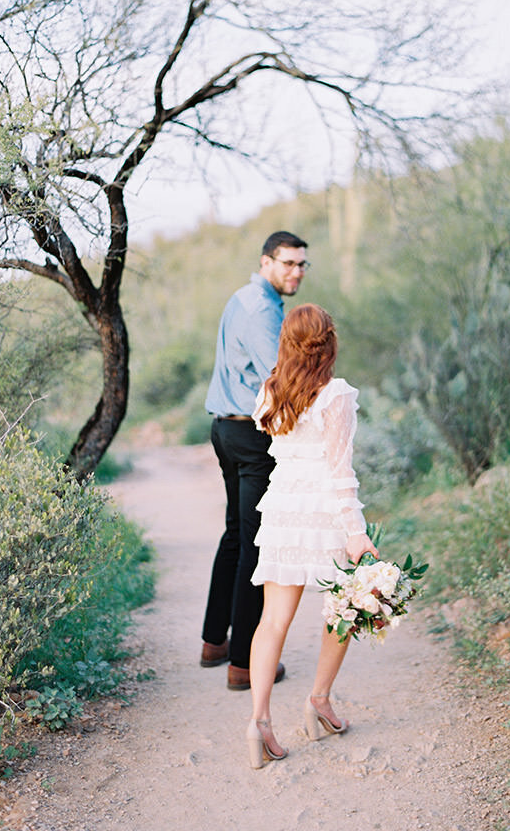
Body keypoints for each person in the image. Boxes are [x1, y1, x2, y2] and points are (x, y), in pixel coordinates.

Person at [245, 303, 378, 769]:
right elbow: (341, 471)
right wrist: (357, 533)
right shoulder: (335, 394)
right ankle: (318, 701)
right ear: (330, 343)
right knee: (343, 610)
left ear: (286, 342)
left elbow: (278, 450)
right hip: (321, 512)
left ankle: (259, 722)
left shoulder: (270, 389)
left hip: (281, 508)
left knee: (272, 621)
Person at [201, 231, 310, 690]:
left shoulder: (243, 297)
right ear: (267, 261)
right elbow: (280, 380)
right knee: (255, 544)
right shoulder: (264, 309)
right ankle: (244, 664)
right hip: (249, 435)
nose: (297, 272)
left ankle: (214, 642)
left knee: (235, 534)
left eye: (302, 265)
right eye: (288, 263)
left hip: (225, 430)